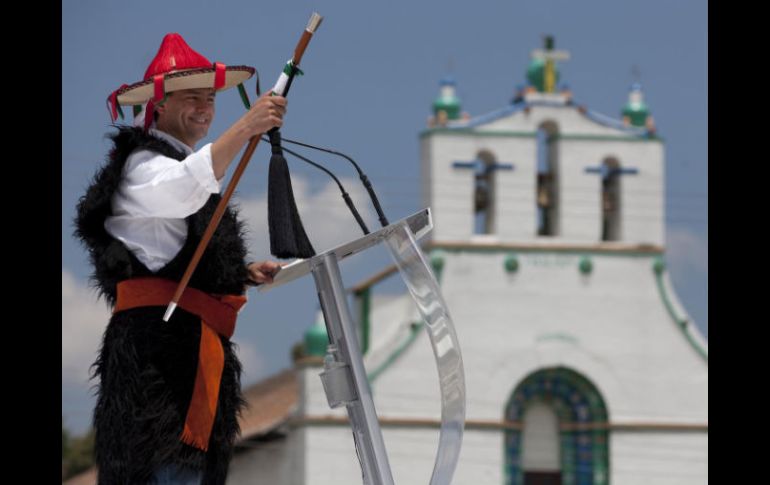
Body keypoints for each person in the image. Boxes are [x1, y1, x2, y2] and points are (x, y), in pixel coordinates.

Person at [75, 32, 286, 484]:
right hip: (159, 360)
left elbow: (170, 245)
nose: (205, 108)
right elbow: (179, 192)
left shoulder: (179, 161)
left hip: (190, 354)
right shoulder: (142, 163)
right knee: (163, 467)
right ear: (158, 105)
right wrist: (246, 127)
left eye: (210, 98)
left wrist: (239, 274)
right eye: (191, 97)